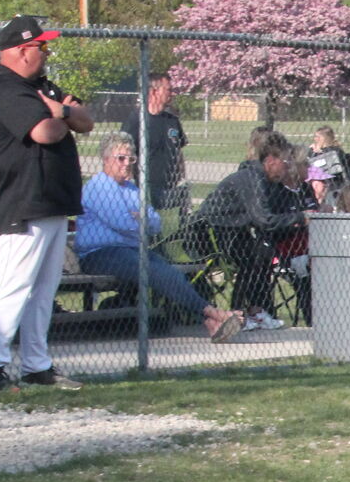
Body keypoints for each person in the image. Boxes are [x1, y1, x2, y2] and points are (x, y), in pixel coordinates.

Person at [0, 16, 93, 393]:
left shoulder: (40, 86)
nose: (46, 51)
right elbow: (43, 131)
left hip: (53, 200)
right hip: (24, 200)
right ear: (21, 51)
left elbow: (85, 120)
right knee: (12, 286)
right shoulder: (2, 87)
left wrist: (65, 113)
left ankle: (37, 366)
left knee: (44, 289)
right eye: (41, 46)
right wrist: (59, 115)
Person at [76, 133, 243, 341]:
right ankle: (212, 313)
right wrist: (138, 219)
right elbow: (123, 223)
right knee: (153, 269)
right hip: (100, 255)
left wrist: (137, 219)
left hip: (132, 250)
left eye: (131, 159)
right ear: (106, 159)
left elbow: (155, 223)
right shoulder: (97, 188)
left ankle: (209, 321)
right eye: (121, 158)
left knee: (168, 271)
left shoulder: (131, 189)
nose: (127, 164)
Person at [190, 129, 303, 332]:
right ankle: (241, 313)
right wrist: (300, 217)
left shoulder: (264, 180)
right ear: (270, 160)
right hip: (207, 235)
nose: (288, 167)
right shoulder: (252, 178)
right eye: (285, 162)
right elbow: (264, 219)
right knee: (253, 255)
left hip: (231, 233)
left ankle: (255, 311)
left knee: (262, 251)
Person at [140, 72, 188, 218]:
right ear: (154, 91)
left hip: (170, 185)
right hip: (146, 186)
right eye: (168, 89)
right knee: (151, 232)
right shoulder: (138, 119)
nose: (172, 93)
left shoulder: (172, 120)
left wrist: (182, 177)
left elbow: (179, 152)